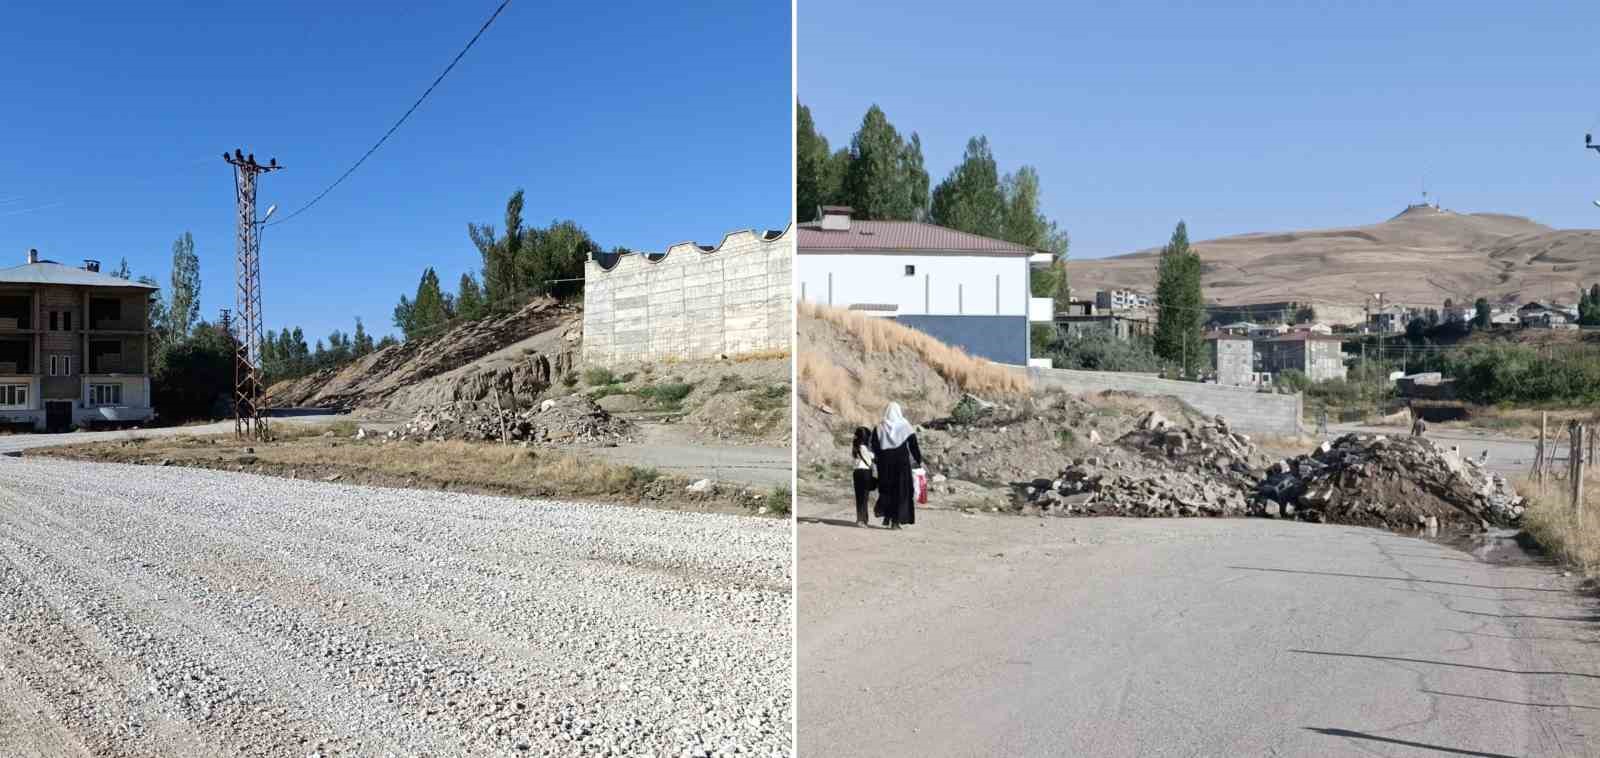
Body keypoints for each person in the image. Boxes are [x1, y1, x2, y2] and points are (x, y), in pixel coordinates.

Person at [872, 402, 923, 530]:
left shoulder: (879, 428)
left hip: (885, 466)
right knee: (901, 492)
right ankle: (896, 522)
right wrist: (918, 461)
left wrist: (878, 462)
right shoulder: (905, 427)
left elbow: (875, 447)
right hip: (902, 466)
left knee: (887, 491)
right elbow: (913, 446)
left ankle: (887, 516)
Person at [850, 426, 876, 527]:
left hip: (856, 472)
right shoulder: (863, 447)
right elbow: (870, 459)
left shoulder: (855, 446)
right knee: (864, 498)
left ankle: (859, 519)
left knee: (859, 497)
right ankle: (863, 520)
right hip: (865, 472)